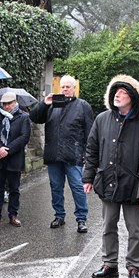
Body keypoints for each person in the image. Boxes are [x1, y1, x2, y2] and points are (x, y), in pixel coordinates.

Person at [83, 75, 139, 278]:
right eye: (115, 92)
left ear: (134, 97)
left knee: (136, 230)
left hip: (134, 185)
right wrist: (88, 176)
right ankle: (109, 264)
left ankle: (133, 268)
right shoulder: (102, 119)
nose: (118, 95)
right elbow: (92, 148)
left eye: (123, 92)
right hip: (107, 181)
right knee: (107, 226)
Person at [29, 75, 94, 233]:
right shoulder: (51, 105)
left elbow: (90, 132)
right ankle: (59, 216)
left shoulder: (83, 106)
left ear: (73, 88)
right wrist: (44, 104)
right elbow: (35, 117)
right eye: (62, 87)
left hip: (73, 155)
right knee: (55, 187)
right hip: (53, 155)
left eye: (68, 87)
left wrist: (88, 155)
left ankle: (81, 219)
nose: (65, 89)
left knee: (77, 188)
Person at [0, 91, 30, 227]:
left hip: (14, 158)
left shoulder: (24, 117)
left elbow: (24, 137)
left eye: (8, 104)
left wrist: (8, 150)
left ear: (15, 102)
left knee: (14, 188)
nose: (5, 107)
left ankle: (13, 215)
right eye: (3, 104)